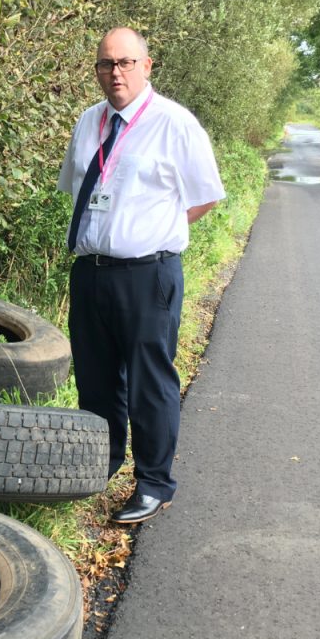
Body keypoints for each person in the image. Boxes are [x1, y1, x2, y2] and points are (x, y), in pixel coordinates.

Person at [57, 27, 225, 524]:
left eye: (126, 63)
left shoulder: (175, 124)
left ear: (147, 66)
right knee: (97, 379)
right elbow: (77, 189)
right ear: (96, 71)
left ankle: (154, 482)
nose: (116, 73)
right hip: (91, 273)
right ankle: (100, 467)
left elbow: (206, 196)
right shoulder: (89, 122)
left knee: (151, 383)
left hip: (148, 276)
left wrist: (155, 229)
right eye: (106, 64)